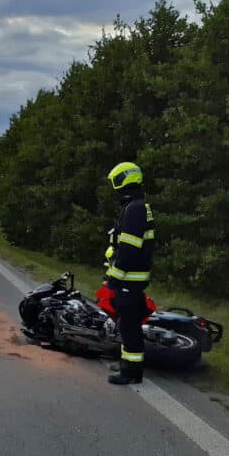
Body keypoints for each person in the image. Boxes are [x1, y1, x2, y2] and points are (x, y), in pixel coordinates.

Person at [104, 162, 155, 385]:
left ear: (122, 180)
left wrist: (114, 276)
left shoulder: (134, 209)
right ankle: (128, 366)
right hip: (131, 278)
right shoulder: (137, 206)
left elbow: (129, 249)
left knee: (129, 327)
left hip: (128, 279)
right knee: (126, 324)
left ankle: (131, 373)